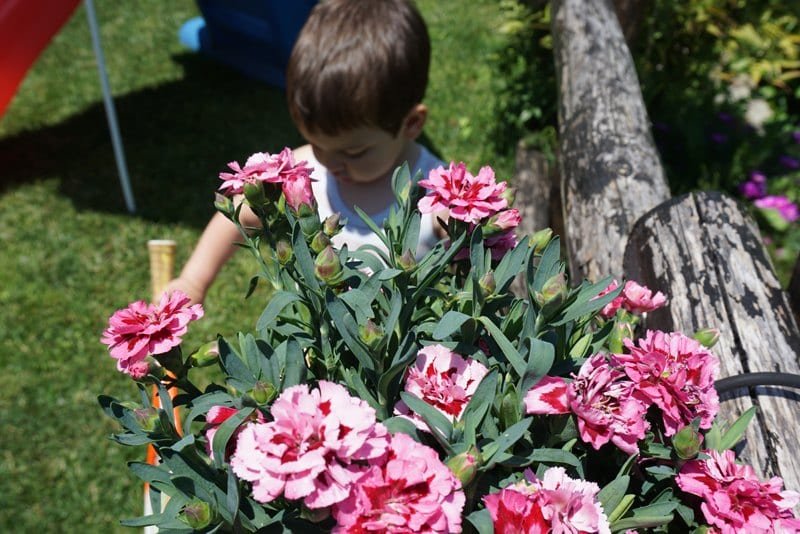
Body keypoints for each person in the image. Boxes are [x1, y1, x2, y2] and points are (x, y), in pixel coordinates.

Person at [168, 0, 444, 304]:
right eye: (317, 144)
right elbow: (238, 214)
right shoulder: (300, 171)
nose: (328, 162)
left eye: (353, 152)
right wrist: (194, 279)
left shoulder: (439, 199)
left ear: (412, 123)